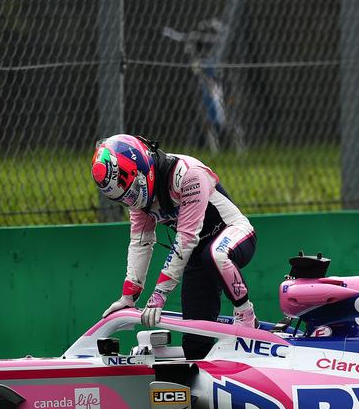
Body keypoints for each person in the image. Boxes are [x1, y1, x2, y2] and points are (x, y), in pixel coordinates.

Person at [92, 134, 256, 359]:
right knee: (195, 345)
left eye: (131, 191)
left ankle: (246, 318)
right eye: (125, 199)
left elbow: (186, 237)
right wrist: (128, 298)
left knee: (215, 255)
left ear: (142, 169)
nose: (133, 201)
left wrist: (159, 295)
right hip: (197, 254)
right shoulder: (140, 200)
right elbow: (140, 243)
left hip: (235, 234)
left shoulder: (188, 175)